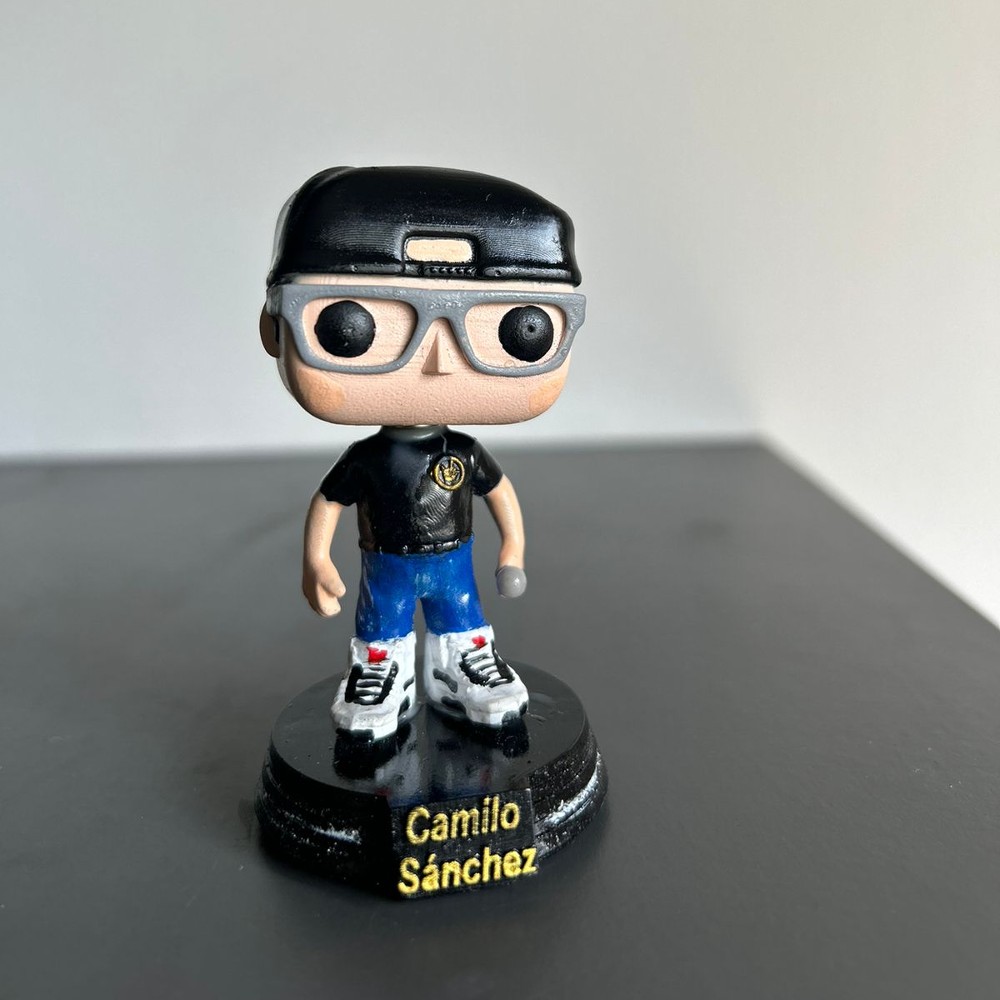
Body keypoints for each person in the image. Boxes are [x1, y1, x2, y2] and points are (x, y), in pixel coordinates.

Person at [260, 166, 585, 740]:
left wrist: (513, 547)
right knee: (381, 624)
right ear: (274, 330)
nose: (437, 362)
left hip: (453, 558)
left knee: (462, 616)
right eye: (349, 327)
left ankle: (464, 664)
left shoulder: (464, 449)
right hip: (386, 560)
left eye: (521, 330)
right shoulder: (367, 457)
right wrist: (316, 561)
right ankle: (380, 674)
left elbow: (498, 492)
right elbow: (329, 502)